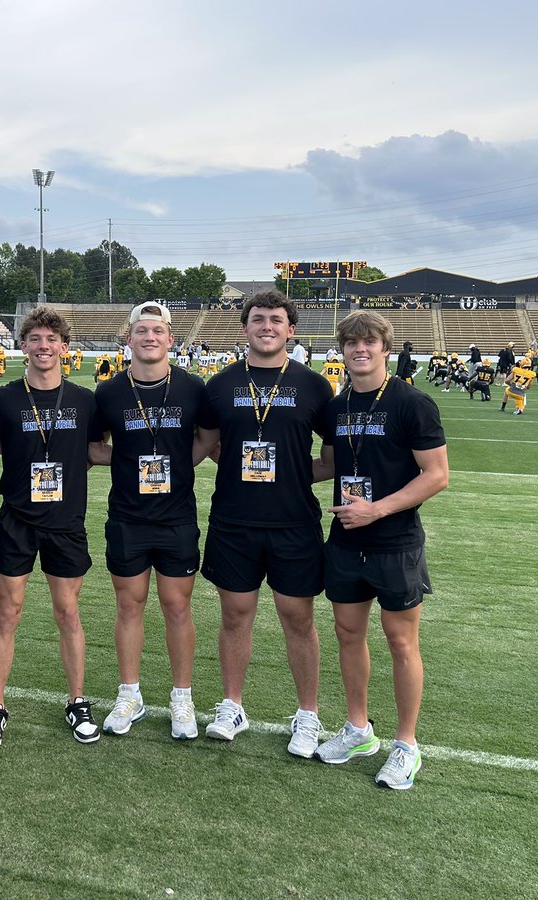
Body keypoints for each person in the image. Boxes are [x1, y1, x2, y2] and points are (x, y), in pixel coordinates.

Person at [193, 290, 334, 756]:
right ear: (245, 327)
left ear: (291, 329)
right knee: (235, 616)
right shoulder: (220, 383)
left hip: (294, 522)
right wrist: (233, 462)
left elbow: (331, 457)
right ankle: (233, 705)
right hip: (234, 521)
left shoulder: (314, 385)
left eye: (276, 319)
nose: (267, 326)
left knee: (298, 618)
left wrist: (292, 472)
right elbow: (209, 442)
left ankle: (308, 715)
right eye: (258, 319)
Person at [312, 310, 447, 790]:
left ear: (385, 348)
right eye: (351, 343)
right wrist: (259, 468)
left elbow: (437, 475)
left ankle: (406, 744)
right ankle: (358, 729)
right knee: (348, 635)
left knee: (401, 641)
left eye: (368, 342)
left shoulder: (412, 402)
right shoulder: (337, 406)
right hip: (346, 540)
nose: (359, 349)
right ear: (342, 350)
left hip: (394, 541)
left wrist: (378, 510)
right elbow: (328, 465)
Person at [0, 306, 104, 749]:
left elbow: (99, 450)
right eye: (35, 339)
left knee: (68, 612)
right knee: (7, 613)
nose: (44, 346)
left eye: (52, 339)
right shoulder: (3, 399)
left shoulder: (86, 400)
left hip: (66, 522)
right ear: (23, 345)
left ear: (65, 348)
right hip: (16, 519)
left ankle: (77, 700)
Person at [91, 302, 217, 740]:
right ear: (128, 338)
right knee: (129, 606)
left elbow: (208, 436)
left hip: (176, 515)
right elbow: (93, 446)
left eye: (157, 330)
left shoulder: (193, 388)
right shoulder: (108, 393)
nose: (149, 337)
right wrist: (126, 462)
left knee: (178, 607)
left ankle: (181, 697)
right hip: (127, 516)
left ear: (170, 338)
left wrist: (181, 463)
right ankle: (130, 694)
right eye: (141, 330)